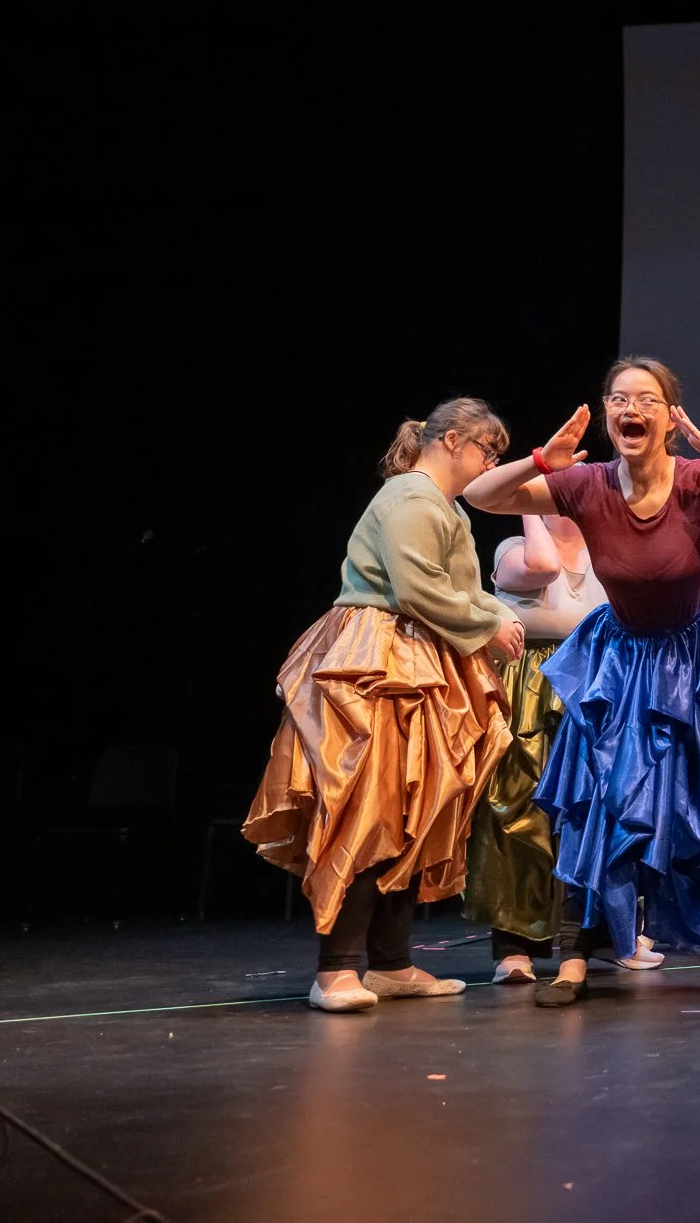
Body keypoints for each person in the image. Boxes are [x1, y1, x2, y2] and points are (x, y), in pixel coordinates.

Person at [464, 353, 700, 1007]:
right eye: (617, 398)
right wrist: (540, 458)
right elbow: (480, 494)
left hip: (693, 663)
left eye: (645, 399)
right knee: (604, 805)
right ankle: (580, 953)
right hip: (618, 663)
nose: (629, 408)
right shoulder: (586, 485)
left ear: (669, 416)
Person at [246, 399, 519, 1013]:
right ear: (450, 441)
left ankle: (391, 963)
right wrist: (488, 625)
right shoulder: (411, 499)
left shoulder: (439, 506)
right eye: (486, 450)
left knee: (411, 809)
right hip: (381, 656)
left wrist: (497, 615)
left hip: (420, 655)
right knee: (368, 806)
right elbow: (417, 588)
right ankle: (337, 969)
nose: (489, 462)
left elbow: (461, 588)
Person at [466, 512, 667, 983]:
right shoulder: (515, 547)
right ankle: (516, 947)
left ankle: (607, 937)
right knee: (522, 814)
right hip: (532, 688)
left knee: (601, 814)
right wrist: (531, 510)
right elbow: (543, 568)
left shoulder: (609, 549)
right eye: (551, 491)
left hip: (598, 687)